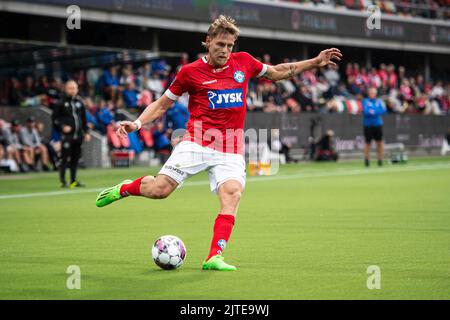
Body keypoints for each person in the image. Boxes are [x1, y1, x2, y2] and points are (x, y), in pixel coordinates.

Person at [95, 15, 342, 271]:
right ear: (208, 41)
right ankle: (125, 188)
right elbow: (162, 104)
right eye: (220, 44)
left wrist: (315, 62)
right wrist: (137, 123)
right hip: (197, 141)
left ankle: (214, 256)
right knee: (160, 190)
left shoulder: (244, 62)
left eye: (229, 45)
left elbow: (278, 72)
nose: (225, 50)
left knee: (232, 194)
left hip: (231, 147)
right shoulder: (189, 72)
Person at [52, 80, 91, 188]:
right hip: (67, 137)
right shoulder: (60, 103)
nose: (72, 90)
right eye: (70, 88)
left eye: (74, 88)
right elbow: (55, 119)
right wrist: (62, 127)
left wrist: (86, 132)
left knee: (75, 159)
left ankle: (73, 181)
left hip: (78, 136)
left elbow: (83, 120)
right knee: (64, 158)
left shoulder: (79, 103)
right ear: (66, 89)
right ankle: (63, 181)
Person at [362, 87, 386, 167]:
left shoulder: (379, 101)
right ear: (369, 94)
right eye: (371, 93)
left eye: (374, 93)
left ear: (375, 94)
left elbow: (383, 110)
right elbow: (366, 112)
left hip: (377, 124)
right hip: (368, 125)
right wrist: (375, 111)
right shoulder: (365, 101)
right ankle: (366, 160)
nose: (372, 94)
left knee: (379, 142)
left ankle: (380, 160)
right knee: (367, 143)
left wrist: (373, 111)